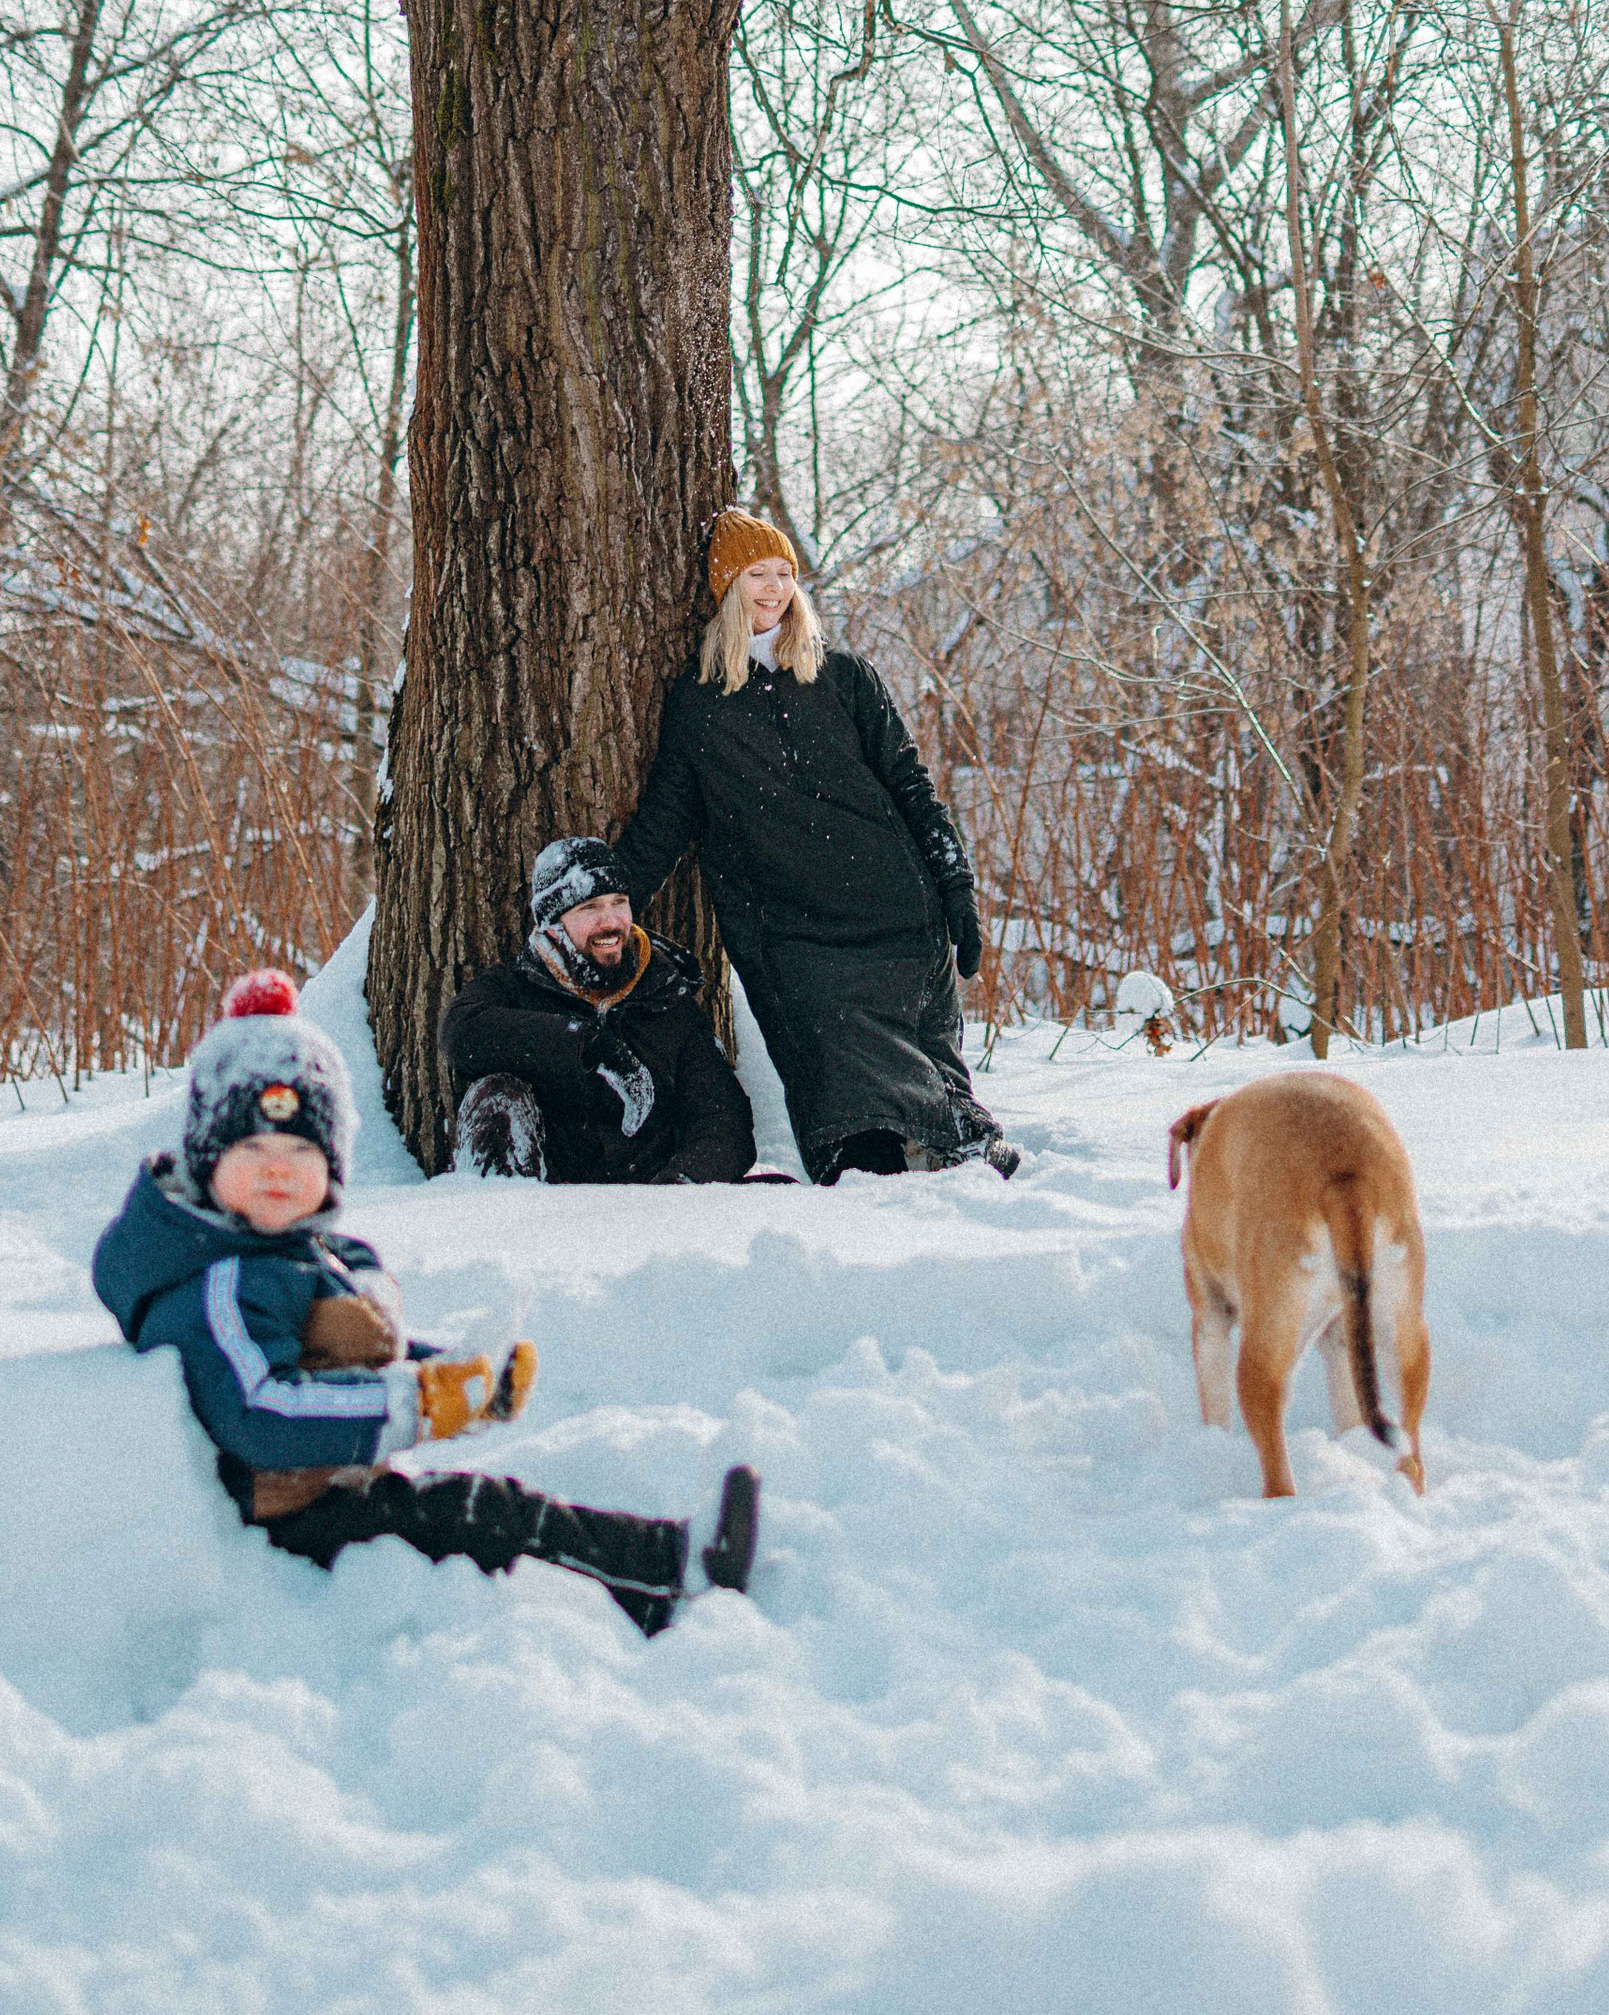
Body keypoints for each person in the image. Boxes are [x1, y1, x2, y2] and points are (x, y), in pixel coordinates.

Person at [92, 966, 758, 1634]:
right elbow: (260, 1412)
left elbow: (351, 1352)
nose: (277, 1169)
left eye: (300, 1149)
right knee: (483, 1513)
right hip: (287, 1517)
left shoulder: (298, 1257)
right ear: (208, 1162)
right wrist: (419, 1403)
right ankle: (670, 1571)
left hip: (334, 1485)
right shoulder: (224, 1283)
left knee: (490, 1509)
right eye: (253, 1148)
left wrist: (468, 1379)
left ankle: (655, 1571)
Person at [612, 513, 1020, 1184]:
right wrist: (609, 900)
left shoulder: (846, 677)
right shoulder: (701, 701)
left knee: (930, 1070)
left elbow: (910, 783)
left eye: (783, 574)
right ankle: (876, 1178)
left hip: (894, 908)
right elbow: (667, 816)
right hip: (791, 927)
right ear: (726, 587)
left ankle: (960, 1158)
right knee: (840, 1091)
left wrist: (956, 886)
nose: (773, 588)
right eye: (756, 574)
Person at [440, 837, 757, 1184]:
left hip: (655, 1207)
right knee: (496, 1095)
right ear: (553, 923)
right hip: (540, 1214)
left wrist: (676, 1189)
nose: (610, 921)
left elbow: (723, 1121)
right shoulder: (517, 986)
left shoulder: (667, 996)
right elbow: (460, 1031)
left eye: (619, 902)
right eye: (589, 907)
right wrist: (587, 1046)